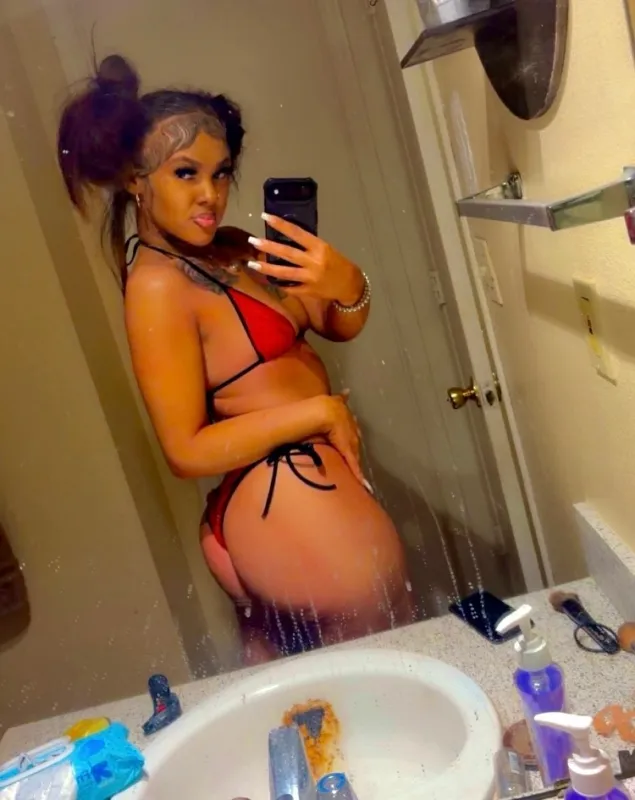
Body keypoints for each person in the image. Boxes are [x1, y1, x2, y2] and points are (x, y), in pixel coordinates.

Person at [57, 54, 413, 664]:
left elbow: (333, 323)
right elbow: (185, 450)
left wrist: (348, 282)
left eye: (221, 174)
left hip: (296, 485)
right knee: (382, 667)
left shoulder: (229, 246)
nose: (211, 195)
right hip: (277, 486)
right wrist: (320, 412)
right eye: (186, 173)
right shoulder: (158, 286)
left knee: (361, 675)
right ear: (136, 180)